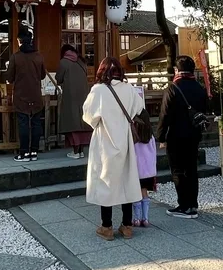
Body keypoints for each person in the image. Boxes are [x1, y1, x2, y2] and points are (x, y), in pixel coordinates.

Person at [82, 57, 144, 240]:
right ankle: (127, 225)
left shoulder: (98, 90)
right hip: (124, 140)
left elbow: (89, 116)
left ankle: (106, 226)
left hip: (105, 140)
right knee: (126, 180)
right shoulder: (129, 89)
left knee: (105, 181)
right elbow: (138, 108)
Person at [158, 55, 208, 219]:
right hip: (194, 134)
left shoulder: (173, 88)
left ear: (177, 70)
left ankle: (184, 205)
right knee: (192, 169)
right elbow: (204, 110)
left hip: (176, 135)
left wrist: (161, 136)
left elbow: (165, 114)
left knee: (178, 170)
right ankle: (193, 204)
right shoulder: (200, 88)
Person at [5, 35, 47, 162]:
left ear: (20, 41)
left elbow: (9, 77)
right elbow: (42, 75)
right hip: (35, 95)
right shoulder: (38, 56)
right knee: (36, 124)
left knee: (23, 124)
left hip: (21, 95)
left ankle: (23, 153)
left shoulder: (16, 57)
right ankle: (34, 151)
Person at [56, 44, 93, 159]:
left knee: (72, 124)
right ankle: (81, 151)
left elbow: (58, 78)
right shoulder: (81, 62)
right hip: (84, 96)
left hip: (70, 97)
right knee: (82, 124)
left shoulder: (64, 62)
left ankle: (76, 152)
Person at [133, 120, 158, 227]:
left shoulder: (134, 139)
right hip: (148, 170)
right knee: (144, 192)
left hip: (136, 170)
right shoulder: (150, 137)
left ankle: (136, 219)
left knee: (135, 194)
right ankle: (146, 218)